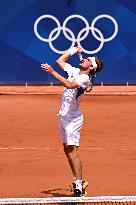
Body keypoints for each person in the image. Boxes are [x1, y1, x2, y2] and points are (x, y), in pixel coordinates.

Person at [41, 46, 104, 197]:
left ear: (91, 68)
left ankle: (79, 186)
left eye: (89, 60)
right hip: (63, 116)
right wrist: (74, 50)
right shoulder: (76, 71)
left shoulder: (84, 78)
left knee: (72, 152)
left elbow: (69, 85)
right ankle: (78, 181)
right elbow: (60, 60)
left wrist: (52, 72)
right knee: (67, 151)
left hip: (73, 120)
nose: (85, 59)